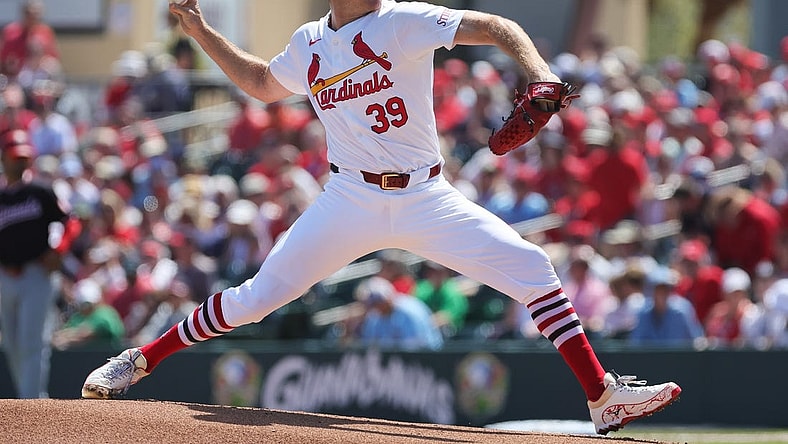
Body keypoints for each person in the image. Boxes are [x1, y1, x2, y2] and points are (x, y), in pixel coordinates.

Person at [81, 0, 681, 435]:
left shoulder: (401, 21)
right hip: (349, 199)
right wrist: (201, 29)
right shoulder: (310, 41)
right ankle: (139, 361)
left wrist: (540, 72)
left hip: (426, 197)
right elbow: (262, 83)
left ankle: (602, 396)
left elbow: (497, 26)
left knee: (532, 266)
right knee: (254, 298)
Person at [0, 129, 80, 398]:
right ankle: (32, 401)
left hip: (37, 274)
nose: (20, 162)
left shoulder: (41, 190)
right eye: (15, 157)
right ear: (4, 158)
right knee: (12, 345)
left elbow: (71, 221)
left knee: (31, 343)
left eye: (24, 157)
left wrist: (59, 248)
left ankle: (30, 405)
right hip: (5, 276)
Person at [350, 276, 442, 350]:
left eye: (377, 303)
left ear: (386, 298)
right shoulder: (374, 317)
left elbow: (415, 347)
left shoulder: (409, 311)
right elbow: (369, 346)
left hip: (428, 358)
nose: (375, 308)